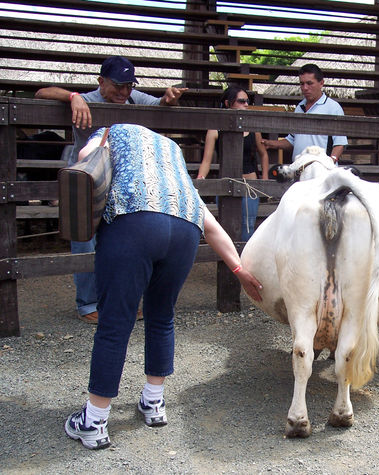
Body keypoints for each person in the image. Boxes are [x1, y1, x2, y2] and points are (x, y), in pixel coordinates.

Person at [63, 123, 263, 450]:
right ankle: (154, 403)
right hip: (184, 228)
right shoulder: (171, 155)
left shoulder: (108, 133)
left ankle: (94, 421)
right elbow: (209, 226)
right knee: (161, 315)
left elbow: (86, 161)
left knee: (115, 321)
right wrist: (238, 269)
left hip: (134, 221)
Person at [35, 56, 188, 324]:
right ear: (101, 82)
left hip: (120, 183)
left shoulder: (133, 99)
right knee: (85, 241)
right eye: (118, 86)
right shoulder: (88, 96)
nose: (124, 92)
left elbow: (160, 105)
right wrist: (73, 97)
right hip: (87, 180)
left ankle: (121, 301)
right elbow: (41, 92)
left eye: (129, 86)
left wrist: (169, 99)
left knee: (122, 243)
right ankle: (88, 304)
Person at [197, 85, 269, 241]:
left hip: (250, 185)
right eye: (241, 101)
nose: (246, 105)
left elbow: (263, 154)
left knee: (248, 227)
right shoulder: (215, 129)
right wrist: (200, 179)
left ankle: (245, 264)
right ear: (228, 103)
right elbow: (207, 160)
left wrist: (264, 179)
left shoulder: (253, 128)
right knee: (226, 227)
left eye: (247, 101)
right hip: (226, 184)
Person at [261, 63, 348, 162]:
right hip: (299, 171)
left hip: (321, 172)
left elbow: (340, 143)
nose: (305, 88)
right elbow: (293, 140)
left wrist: (330, 163)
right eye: (302, 84)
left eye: (309, 83)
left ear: (321, 83)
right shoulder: (299, 107)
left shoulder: (333, 107)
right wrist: (271, 144)